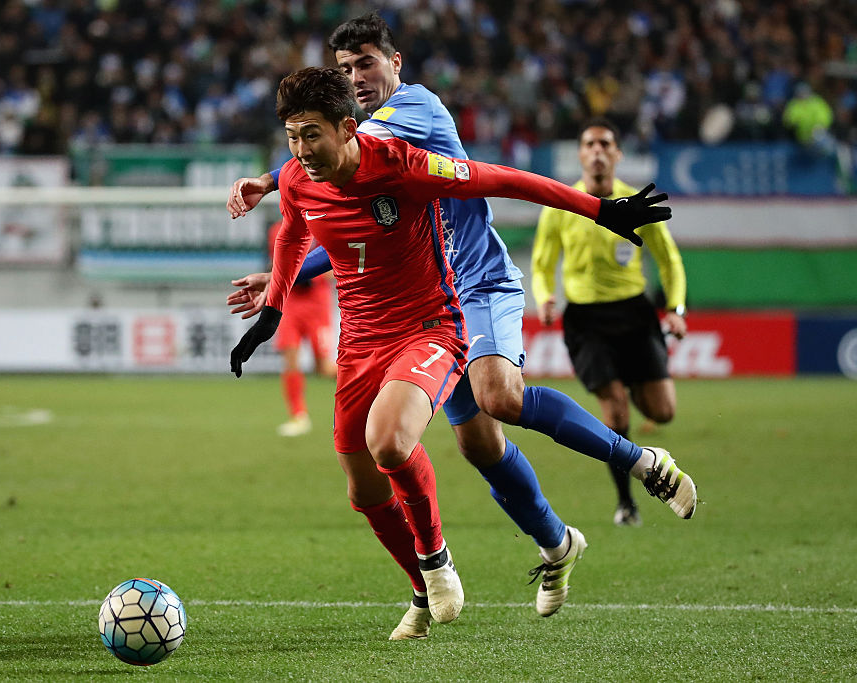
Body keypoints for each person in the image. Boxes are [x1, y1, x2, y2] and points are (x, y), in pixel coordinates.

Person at [227, 14, 697, 635]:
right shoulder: (332, 147)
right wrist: (286, 275)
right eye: (343, 69)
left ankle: (641, 460)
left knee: (498, 397)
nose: (356, 78)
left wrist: (269, 177)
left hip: (472, 285)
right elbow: (345, 218)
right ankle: (557, 545)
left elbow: (484, 176)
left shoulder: (411, 113)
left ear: (396, 63)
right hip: (408, 297)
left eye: (366, 63)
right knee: (479, 444)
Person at [532, 117, 688, 527]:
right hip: (587, 320)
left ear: (618, 154)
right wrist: (545, 296)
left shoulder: (635, 204)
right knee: (616, 416)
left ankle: (632, 381)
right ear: (581, 154)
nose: (598, 151)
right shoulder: (563, 206)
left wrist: (676, 308)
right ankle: (626, 503)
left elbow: (669, 260)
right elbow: (542, 262)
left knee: (663, 411)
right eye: (590, 144)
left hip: (634, 314)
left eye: (605, 144)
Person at [261, 219, 337, 437]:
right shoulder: (276, 230)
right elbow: (275, 263)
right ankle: (298, 416)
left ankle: (369, 389)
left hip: (317, 304)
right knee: (290, 357)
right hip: (290, 302)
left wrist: (311, 273)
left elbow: (337, 263)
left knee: (323, 368)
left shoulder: (322, 225)